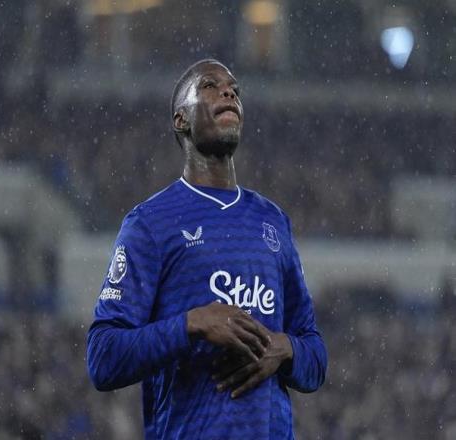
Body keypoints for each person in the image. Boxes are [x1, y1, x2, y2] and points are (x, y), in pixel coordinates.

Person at [87, 59, 327, 439]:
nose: (229, 92)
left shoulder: (273, 220)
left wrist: (286, 349)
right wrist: (192, 324)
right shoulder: (151, 223)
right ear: (181, 119)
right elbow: (103, 357)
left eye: (234, 89)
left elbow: (315, 355)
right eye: (209, 86)